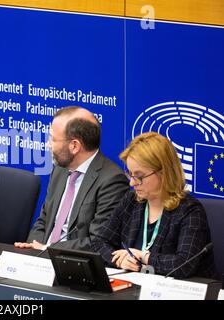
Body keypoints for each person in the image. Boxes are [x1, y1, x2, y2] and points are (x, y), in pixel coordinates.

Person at [91, 132, 216, 278]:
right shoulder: (131, 200)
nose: (132, 183)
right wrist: (120, 261)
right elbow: (99, 242)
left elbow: (184, 264)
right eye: (130, 174)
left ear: (164, 172)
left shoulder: (190, 210)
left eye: (139, 176)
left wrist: (144, 257)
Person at [15, 107, 128, 251]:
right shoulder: (60, 170)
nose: (48, 144)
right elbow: (43, 221)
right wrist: (32, 247)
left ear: (74, 146)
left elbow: (98, 241)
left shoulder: (112, 181)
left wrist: (48, 249)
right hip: (41, 259)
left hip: (72, 264)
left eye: (53, 139)